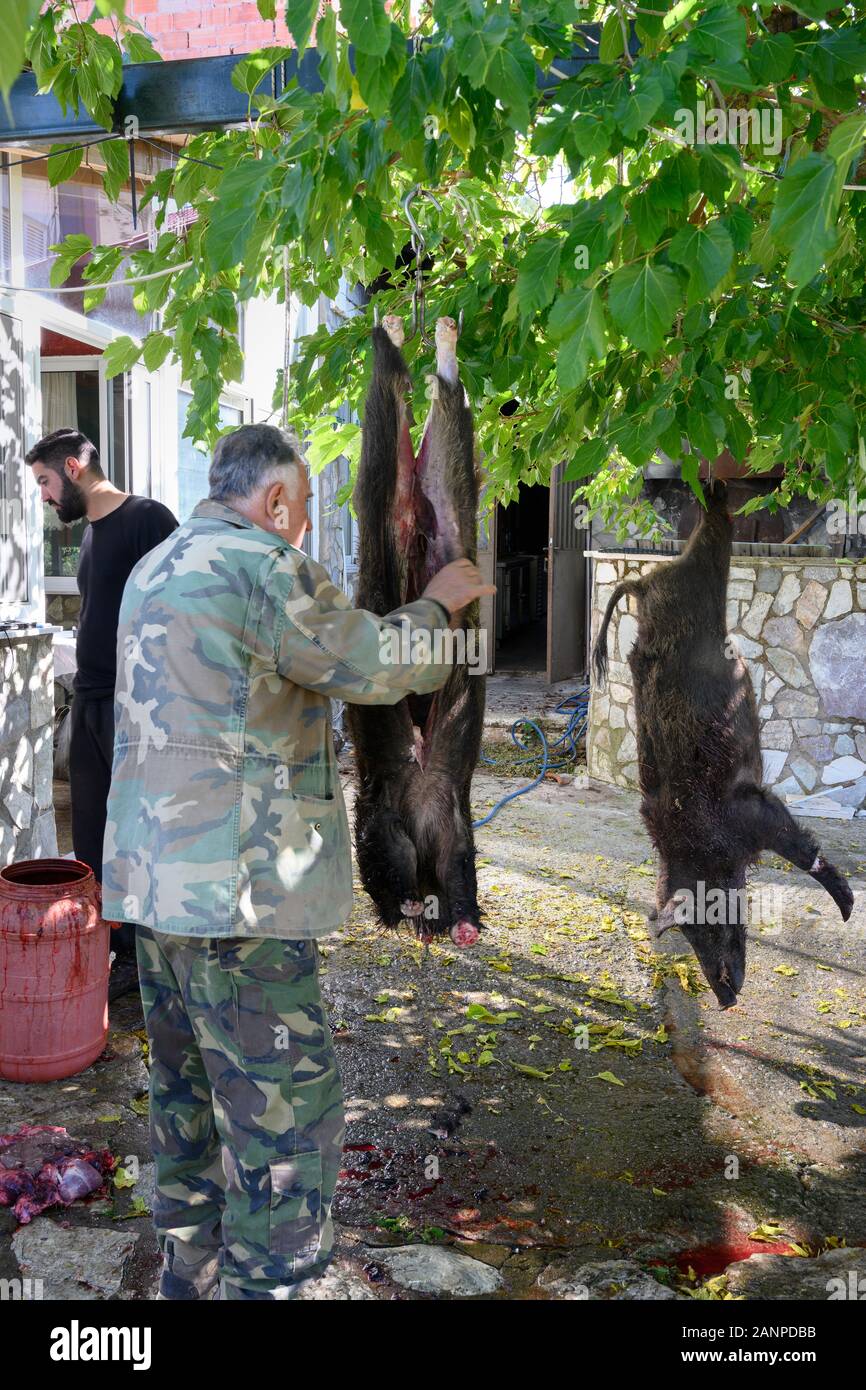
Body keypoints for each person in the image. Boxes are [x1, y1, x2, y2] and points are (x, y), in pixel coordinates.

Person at [100, 422, 494, 1300]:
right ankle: (266, 1286)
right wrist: (441, 601)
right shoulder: (260, 568)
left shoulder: (153, 566)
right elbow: (373, 664)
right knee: (282, 1116)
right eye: (306, 507)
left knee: (185, 1096)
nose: (307, 526)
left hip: (157, 890)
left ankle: (187, 1276)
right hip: (240, 901)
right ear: (274, 499)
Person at [26, 429, 177, 992]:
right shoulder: (89, 534)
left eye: (44, 481)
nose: (43, 495)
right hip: (89, 704)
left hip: (133, 708)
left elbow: (180, 608)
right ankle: (114, 953)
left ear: (72, 467)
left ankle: (150, 964)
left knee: (137, 838)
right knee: (93, 841)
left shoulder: (147, 519)